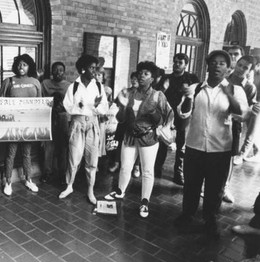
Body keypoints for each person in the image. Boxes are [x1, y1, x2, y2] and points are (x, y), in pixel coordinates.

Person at [173, 50, 248, 238]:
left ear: (228, 68)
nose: (217, 66)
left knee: (215, 187)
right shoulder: (196, 88)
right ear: (207, 65)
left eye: (222, 63)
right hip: (195, 145)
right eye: (213, 62)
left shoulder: (236, 90)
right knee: (191, 184)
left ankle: (210, 218)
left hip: (220, 148)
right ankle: (187, 214)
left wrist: (228, 95)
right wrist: (188, 98)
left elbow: (242, 114)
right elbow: (183, 114)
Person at [104, 61, 173, 218]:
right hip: (129, 136)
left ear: (153, 78)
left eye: (146, 74)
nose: (142, 75)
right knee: (125, 167)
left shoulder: (158, 95)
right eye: (141, 72)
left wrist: (155, 116)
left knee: (147, 171)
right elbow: (121, 119)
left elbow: (167, 117)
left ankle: (144, 201)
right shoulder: (128, 93)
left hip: (148, 137)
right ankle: (120, 191)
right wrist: (121, 107)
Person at [58, 55, 108, 205]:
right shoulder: (73, 87)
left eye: (96, 68)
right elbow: (67, 105)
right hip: (77, 124)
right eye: (92, 68)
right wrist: (78, 107)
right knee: (74, 158)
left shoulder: (98, 86)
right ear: (83, 69)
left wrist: (95, 106)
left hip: (92, 125)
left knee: (92, 160)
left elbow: (104, 107)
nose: (95, 71)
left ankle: (90, 190)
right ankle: (69, 186)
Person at [0, 54, 42, 196]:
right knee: (10, 153)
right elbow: (0, 102)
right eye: (18, 64)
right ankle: (8, 181)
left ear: (29, 66)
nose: (21, 67)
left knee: (27, 154)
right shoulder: (8, 81)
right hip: (12, 124)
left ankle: (28, 179)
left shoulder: (35, 82)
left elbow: (41, 104)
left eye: (24, 64)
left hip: (29, 124)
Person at [154, 53, 199, 185]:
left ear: (186, 64)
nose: (177, 65)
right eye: (175, 62)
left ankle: (178, 172)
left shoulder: (191, 78)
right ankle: (157, 167)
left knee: (181, 144)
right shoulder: (166, 78)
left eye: (180, 62)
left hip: (183, 115)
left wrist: (191, 89)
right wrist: (164, 87)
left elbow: (199, 91)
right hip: (167, 113)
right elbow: (157, 94)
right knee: (162, 140)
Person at [40, 61, 71, 183]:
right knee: (48, 146)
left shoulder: (68, 86)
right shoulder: (45, 84)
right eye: (55, 70)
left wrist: (63, 108)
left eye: (61, 70)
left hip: (63, 117)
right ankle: (47, 172)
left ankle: (62, 173)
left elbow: (71, 103)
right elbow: (39, 98)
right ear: (52, 72)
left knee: (63, 146)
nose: (58, 73)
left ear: (64, 72)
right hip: (48, 116)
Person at [231, 55, 258, 165]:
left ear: (250, 71)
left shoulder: (249, 87)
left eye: (245, 68)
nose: (240, 69)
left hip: (236, 121)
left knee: (230, 154)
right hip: (218, 118)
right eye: (239, 65)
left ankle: (241, 155)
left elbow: (249, 109)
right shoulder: (224, 79)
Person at [109, 72, 138, 173]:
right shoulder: (126, 91)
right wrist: (122, 97)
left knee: (137, 143)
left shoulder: (141, 93)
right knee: (120, 142)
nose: (134, 81)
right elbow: (117, 103)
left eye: (136, 79)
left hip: (136, 122)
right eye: (132, 78)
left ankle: (136, 166)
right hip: (124, 120)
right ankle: (117, 162)